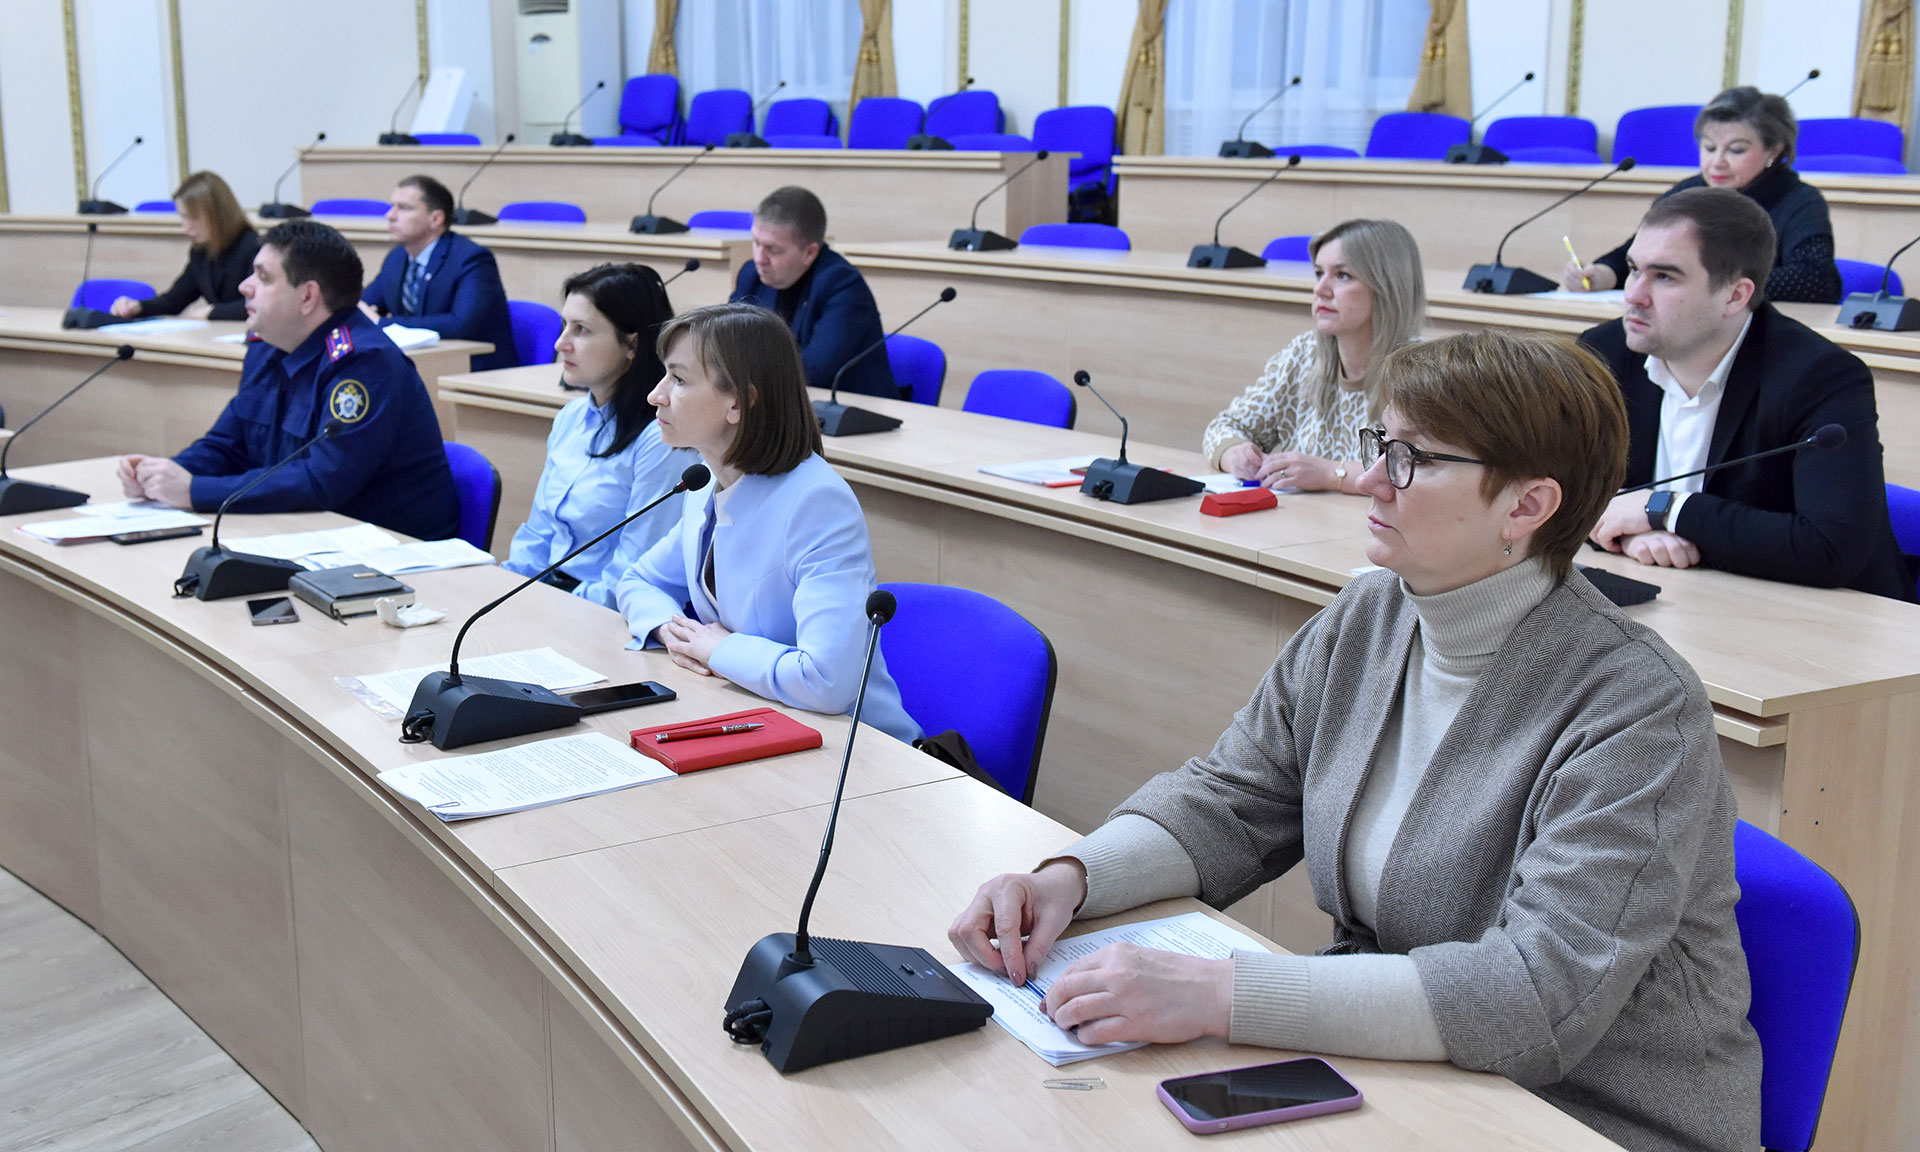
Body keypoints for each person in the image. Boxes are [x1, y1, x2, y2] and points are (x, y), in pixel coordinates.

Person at [949, 328, 1761, 1152]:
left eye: (1413, 459)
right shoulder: (1370, 615)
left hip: (1585, 1113)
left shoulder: (1637, 706)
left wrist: (1218, 995)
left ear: (1527, 506)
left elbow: (1534, 996)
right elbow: (1231, 799)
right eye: (1381, 444)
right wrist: (1072, 879)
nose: (1371, 478)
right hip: (1405, 1072)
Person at [1581, 187, 1913, 600]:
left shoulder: (1819, 376)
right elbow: (1545, 487)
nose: (1633, 294)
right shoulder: (1602, 354)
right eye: (1634, 269)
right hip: (1680, 595)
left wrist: (1665, 509)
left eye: (1664, 276)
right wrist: (1622, 533)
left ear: (1735, 296)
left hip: (1821, 615)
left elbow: (1830, 546)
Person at [615, 303, 920, 743]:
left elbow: (827, 681)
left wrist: (721, 649)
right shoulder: (705, 482)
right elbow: (639, 580)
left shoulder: (817, 503)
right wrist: (673, 631)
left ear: (738, 403)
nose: (655, 395)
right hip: (760, 719)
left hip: (859, 747)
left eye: (679, 379)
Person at [118, 219, 459, 542]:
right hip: (308, 535)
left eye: (263, 278)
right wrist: (162, 475)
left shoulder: (364, 363)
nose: (244, 287)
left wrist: (196, 491)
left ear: (307, 297)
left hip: (397, 550)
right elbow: (228, 443)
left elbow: (323, 480)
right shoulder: (268, 345)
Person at [503, 264, 697, 608]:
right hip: (550, 596)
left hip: (601, 612)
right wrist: (506, 588)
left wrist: (549, 607)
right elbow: (539, 533)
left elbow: (632, 573)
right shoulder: (571, 417)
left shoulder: (661, 439)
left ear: (632, 344)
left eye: (581, 330)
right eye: (565, 325)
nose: (560, 343)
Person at [1203, 219, 1426, 491]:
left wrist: (1331, 474)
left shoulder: (1420, 372)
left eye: (1343, 275)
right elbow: (1224, 427)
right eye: (1319, 273)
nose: (1320, 289)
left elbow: (1421, 473)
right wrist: (1235, 453)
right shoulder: (1303, 354)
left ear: (1388, 286)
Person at [1564, 86, 1841, 304]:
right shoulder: (1687, 193)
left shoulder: (1799, 200)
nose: (1717, 162)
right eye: (1709, 148)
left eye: (1736, 150)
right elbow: (1640, 252)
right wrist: (1604, 273)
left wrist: (1710, 283)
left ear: (1774, 151)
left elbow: (1817, 280)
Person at [730, 185, 897, 399]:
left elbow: (812, 372)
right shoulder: (751, 275)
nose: (759, 258)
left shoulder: (843, 286)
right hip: (778, 402)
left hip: (850, 411)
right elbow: (727, 343)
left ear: (809, 253)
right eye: (756, 243)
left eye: (773, 249)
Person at [359, 174, 516, 370]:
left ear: (436, 219)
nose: (390, 215)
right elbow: (363, 305)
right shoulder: (397, 258)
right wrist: (369, 315)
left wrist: (383, 323)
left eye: (404, 208)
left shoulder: (472, 259)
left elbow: (460, 325)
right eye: (392, 206)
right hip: (418, 365)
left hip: (472, 369)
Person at [109, 171, 260, 321]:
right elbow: (174, 300)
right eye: (183, 217)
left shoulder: (255, 247)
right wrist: (138, 306)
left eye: (192, 217)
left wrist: (212, 312)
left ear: (217, 215)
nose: (186, 227)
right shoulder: (201, 252)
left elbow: (260, 304)